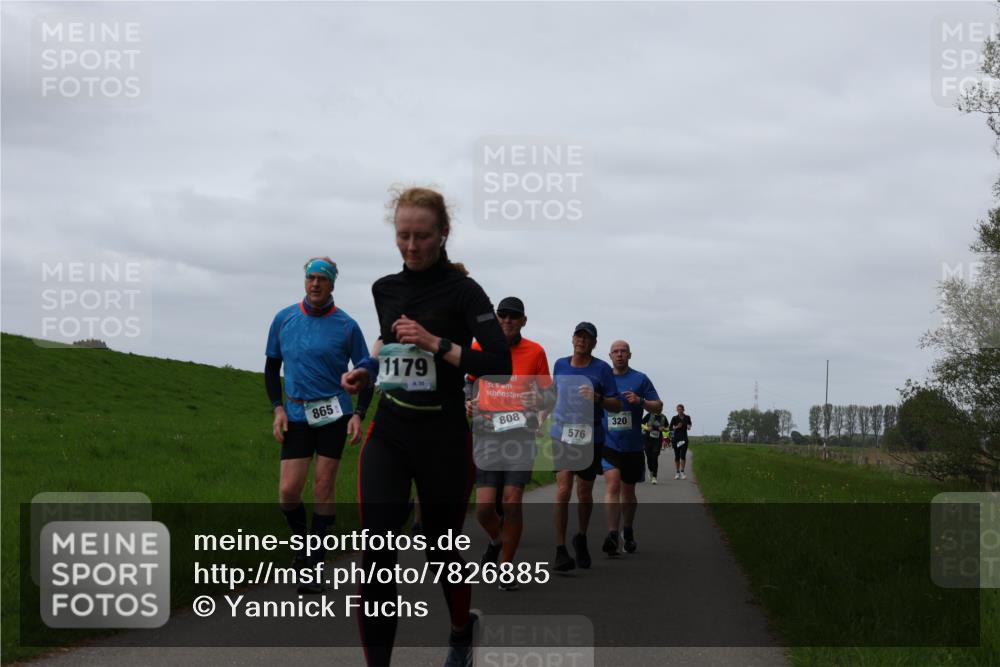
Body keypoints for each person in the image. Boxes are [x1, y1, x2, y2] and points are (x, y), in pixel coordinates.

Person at [340, 187, 512, 667]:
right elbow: (388, 346)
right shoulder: (385, 289)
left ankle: (461, 632)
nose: (412, 246)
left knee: (440, 551)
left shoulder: (464, 292)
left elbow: (499, 364)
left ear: (443, 234)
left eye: (422, 236)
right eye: (403, 236)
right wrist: (366, 371)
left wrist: (437, 343)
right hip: (390, 432)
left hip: (443, 438)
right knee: (377, 553)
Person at [265, 257, 370, 593]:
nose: (315, 284)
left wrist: (358, 413)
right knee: (288, 491)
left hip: (333, 414)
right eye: (310, 277)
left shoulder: (347, 325)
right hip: (296, 414)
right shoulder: (284, 318)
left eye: (322, 279)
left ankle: (313, 563)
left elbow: (366, 372)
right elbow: (272, 368)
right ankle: (302, 548)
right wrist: (277, 409)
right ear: (305, 280)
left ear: (332, 284)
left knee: (323, 487)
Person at [467, 296, 552, 590]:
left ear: (523, 321)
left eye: (513, 316)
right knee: (484, 509)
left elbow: (549, 395)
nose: (507, 321)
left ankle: (506, 566)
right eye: (502, 315)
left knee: (512, 501)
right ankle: (496, 540)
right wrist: (468, 401)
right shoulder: (480, 346)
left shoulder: (535, 351)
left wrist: (539, 402)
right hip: (487, 434)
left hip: (520, 435)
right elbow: (469, 381)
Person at [548, 322, 621, 572]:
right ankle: (560, 549)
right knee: (563, 489)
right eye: (578, 336)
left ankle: (580, 536)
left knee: (584, 493)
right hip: (561, 434)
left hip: (590, 436)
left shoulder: (602, 369)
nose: (581, 340)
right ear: (572, 339)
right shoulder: (560, 364)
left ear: (594, 343)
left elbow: (616, 405)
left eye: (587, 337)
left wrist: (597, 398)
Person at [600, 340, 663, 556]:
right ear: (610, 356)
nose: (619, 354)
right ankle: (612, 535)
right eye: (615, 351)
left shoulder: (640, 379)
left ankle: (627, 531)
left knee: (628, 492)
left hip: (633, 445)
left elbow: (658, 406)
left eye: (623, 351)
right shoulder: (603, 378)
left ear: (629, 355)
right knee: (612, 486)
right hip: (609, 443)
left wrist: (640, 401)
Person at [640, 411, 670, 484]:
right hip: (648, 439)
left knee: (655, 457)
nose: (659, 409)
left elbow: (668, 428)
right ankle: (651, 471)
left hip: (657, 440)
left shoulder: (663, 417)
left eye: (661, 407)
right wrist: (647, 428)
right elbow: (641, 424)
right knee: (649, 456)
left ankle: (654, 477)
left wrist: (664, 429)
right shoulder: (649, 415)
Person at [670, 404, 693, 479]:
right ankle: (677, 472)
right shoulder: (674, 418)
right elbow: (670, 428)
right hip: (676, 439)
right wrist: (677, 427)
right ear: (677, 410)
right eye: (678, 409)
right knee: (677, 456)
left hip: (684, 439)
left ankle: (682, 471)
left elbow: (689, 425)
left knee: (682, 455)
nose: (679, 410)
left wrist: (688, 427)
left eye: (681, 409)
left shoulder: (687, 417)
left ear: (683, 410)